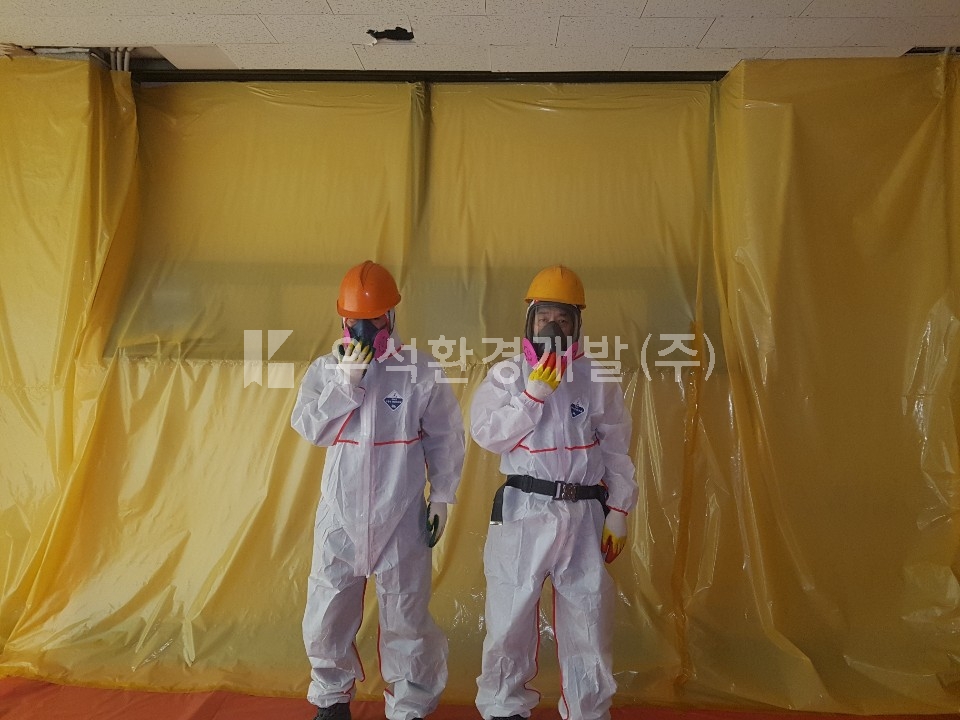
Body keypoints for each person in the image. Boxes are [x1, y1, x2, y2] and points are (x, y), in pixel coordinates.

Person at [291, 260, 465, 720]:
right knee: (328, 607)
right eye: (356, 321)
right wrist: (346, 384)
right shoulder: (326, 370)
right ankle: (331, 700)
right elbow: (310, 427)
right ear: (343, 320)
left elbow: (445, 438)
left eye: (375, 320)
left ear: (392, 316)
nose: (365, 331)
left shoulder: (419, 371)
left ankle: (409, 706)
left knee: (406, 614)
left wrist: (442, 496)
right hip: (340, 514)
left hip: (401, 513)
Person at [471, 265, 638, 720]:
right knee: (509, 617)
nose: (553, 328)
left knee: (589, 619)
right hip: (525, 509)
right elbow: (486, 434)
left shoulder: (595, 378)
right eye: (544, 317)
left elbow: (617, 449)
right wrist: (532, 396)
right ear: (529, 319)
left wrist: (619, 509)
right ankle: (503, 708)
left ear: (577, 323)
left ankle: (587, 711)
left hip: (584, 513)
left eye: (563, 319)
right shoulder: (507, 376)